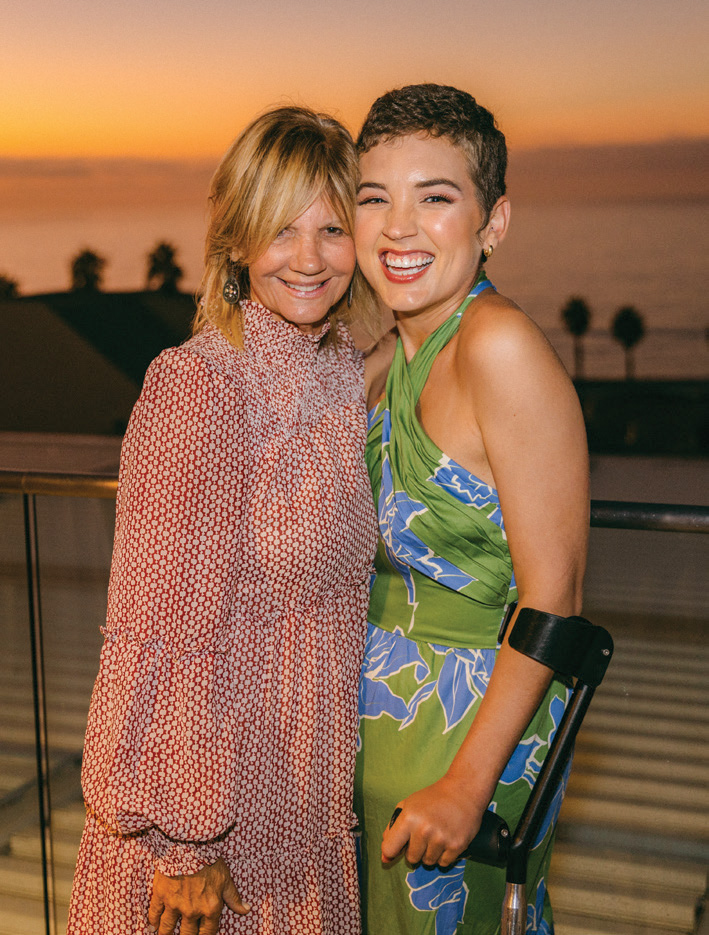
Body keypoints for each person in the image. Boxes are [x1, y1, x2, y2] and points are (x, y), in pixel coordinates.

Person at [67, 106, 380, 935]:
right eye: (281, 230)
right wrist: (184, 843)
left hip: (302, 817)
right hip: (211, 844)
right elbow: (161, 631)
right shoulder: (200, 389)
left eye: (333, 228)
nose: (309, 258)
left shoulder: (342, 375)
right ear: (236, 243)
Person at [353, 84, 589, 935]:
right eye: (373, 197)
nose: (397, 227)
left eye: (435, 197)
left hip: (469, 731)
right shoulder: (386, 358)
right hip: (373, 718)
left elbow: (553, 597)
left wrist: (467, 783)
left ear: (493, 222)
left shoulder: (498, 348)